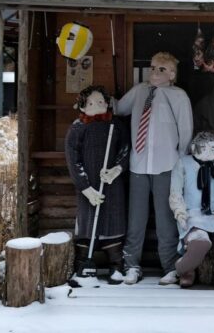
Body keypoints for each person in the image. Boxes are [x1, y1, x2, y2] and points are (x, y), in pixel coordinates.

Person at [115, 52, 193, 285]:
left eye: (161, 69)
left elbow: (186, 130)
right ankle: (131, 265)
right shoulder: (139, 91)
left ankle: (170, 265)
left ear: (172, 74)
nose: (155, 72)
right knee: (136, 218)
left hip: (166, 165)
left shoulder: (178, 96)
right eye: (152, 67)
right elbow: (119, 109)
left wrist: (180, 161)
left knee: (165, 218)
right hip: (139, 164)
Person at [65, 85, 129, 284]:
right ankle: (83, 264)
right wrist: (85, 188)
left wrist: (116, 169)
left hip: (112, 184)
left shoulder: (115, 126)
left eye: (101, 102)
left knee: (114, 219)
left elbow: (125, 149)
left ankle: (116, 266)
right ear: (83, 106)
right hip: (89, 184)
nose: (97, 105)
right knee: (88, 221)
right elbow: (73, 160)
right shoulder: (78, 128)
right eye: (92, 103)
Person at [169, 132, 214, 290]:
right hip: (192, 214)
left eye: (213, 148)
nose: (210, 151)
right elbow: (176, 192)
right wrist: (179, 212)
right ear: (194, 148)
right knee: (199, 241)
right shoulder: (183, 164)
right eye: (204, 148)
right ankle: (185, 270)